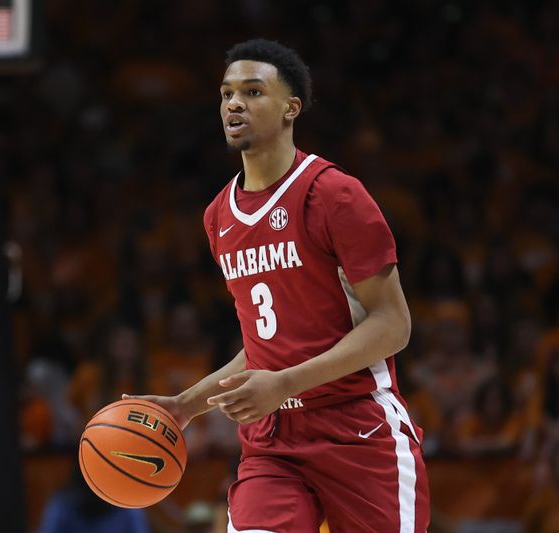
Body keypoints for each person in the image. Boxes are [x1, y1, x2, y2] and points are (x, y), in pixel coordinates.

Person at [125, 38, 429, 532]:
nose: (234, 104)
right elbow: (266, 346)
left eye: (252, 91)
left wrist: (284, 382)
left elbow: (394, 325)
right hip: (273, 440)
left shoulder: (335, 194)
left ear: (291, 108)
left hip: (357, 427)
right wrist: (186, 405)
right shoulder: (218, 216)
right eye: (226, 94)